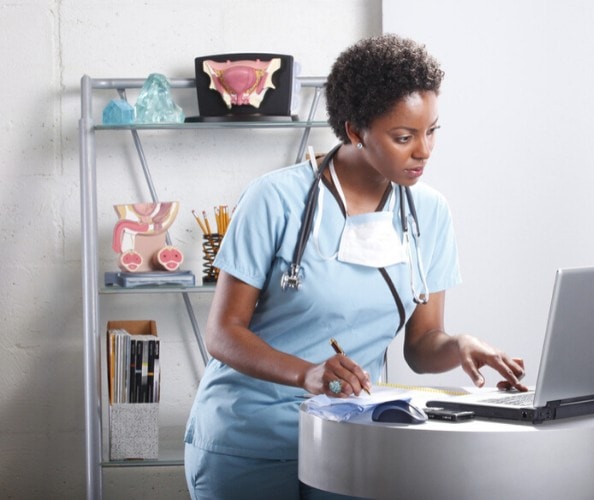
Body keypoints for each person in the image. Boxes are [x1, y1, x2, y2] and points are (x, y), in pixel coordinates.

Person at [184, 33, 527, 500]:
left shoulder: (429, 212)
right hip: (250, 441)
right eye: (404, 137)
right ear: (354, 131)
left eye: (432, 131)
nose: (423, 151)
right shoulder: (275, 199)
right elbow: (222, 333)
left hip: (349, 440)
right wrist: (305, 373)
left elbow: (422, 346)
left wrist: (459, 346)